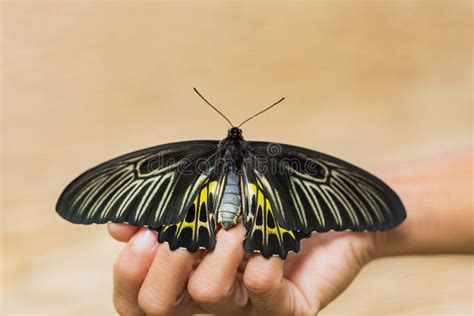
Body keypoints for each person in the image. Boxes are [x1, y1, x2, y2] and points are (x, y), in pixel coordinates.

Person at [107, 149, 473, 315]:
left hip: (208, 211)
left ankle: (199, 230)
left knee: (179, 233)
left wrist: (368, 231)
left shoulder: (191, 157)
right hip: (261, 212)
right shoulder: (273, 160)